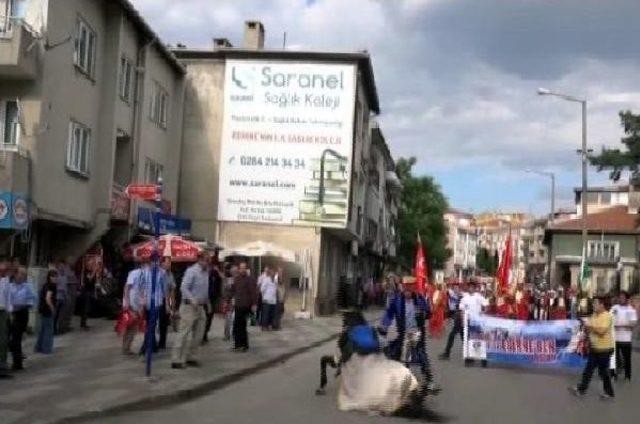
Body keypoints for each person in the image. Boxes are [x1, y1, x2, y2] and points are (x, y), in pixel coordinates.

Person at [380, 282, 440, 394]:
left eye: (410, 289)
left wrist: (423, 313)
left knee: (421, 354)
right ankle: (395, 380)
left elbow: (428, 313)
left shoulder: (419, 299)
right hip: (403, 332)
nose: (407, 292)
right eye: (405, 289)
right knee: (396, 353)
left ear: (413, 289)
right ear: (403, 289)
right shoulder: (397, 300)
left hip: (416, 332)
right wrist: (384, 326)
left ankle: (429, 381)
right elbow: (389, 314)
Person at [570, 296, 615, 400]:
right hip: (594, 348)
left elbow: (602, 331)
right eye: (593, 303)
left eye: (595, 304)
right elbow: (588, 327)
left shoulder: (607, 316)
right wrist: (585, 329)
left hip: (604, 349)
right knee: (588, 370)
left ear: (601, 305)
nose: (593, 305)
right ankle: (582, 390)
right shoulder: (594, 315)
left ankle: (609, 393)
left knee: (603, 373)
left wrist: (588, 325)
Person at [171, 252, 210, 369]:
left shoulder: (206, 273)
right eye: (206, 260)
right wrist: (192, 300)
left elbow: (204, 289)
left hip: (201, 306)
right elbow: (183, 287)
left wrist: (208, 302)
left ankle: (191, 357)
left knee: (199, 334)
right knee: (183, 333)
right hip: (189, 307)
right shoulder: (191, 271)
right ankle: (176, 359)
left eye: (209, 260)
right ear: (200, 260)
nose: (208, 262)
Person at [8, 267, 36, 370]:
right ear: (15, 275)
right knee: (9, 339)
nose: (23, 276)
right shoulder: (10, 286)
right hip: (10, 313)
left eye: (24, 274)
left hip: (21, 314)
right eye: (21, 274)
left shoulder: (28, 286)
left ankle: (17, 363)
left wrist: (23, 305)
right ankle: (17, 358)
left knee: (16, 339)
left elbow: (33, 299)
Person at [227, 262, 257, 352]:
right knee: (237, 326)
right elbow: (232, 290)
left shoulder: (250, 279)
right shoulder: (236, 279)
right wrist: (227, 300)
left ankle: (244, 345)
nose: (242, 270)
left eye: (244, 268)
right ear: (239, 269)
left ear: (246, 269)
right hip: (238, 305)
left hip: (246, 305)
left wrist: (254, 304)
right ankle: (238, 345)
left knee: (242, 326)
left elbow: (253, 292)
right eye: (241, 268)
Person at [611, 291, 637, 381]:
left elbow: (633, 324)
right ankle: (613, 375)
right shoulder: (615, 308)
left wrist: (620, 325)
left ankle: (627, 376)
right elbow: (610, 319)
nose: (621, 299)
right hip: (615, 338)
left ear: (627, 298)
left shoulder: (630, 309)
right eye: (619, 297)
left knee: (627, 359)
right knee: (613, 359)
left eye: (622, 297)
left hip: (626, 339)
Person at [122, 262, 145, 356]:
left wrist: (141, 306)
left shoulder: (146, 276)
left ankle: (126, 348)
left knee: (133, 328)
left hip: (137, 304)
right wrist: (127, 302)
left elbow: (142, 292)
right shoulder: (135, 273)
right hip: (131, 303)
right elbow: (127, 287)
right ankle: (125, 348)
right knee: (130, 327)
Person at [34, 270, 58, 354]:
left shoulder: (45, 285)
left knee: (43, 329)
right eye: (53, 276)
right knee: (49, 330)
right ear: (49, 277)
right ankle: (46, 348)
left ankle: (39, 347)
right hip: (48, 310)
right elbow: (48, 299)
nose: (55, 278)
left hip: (42, 309)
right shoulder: (52, 286)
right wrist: (52, 309)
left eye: (55, 276)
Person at [439, 284, 463, 360]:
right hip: (459, 319)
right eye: (454, 288)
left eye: (457, 288)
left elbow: (459, 309)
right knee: (462, 337)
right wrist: (449, 317)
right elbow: (450, 308)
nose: (456, 290)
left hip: (461, 319)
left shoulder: (462, 297)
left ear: (459, 289)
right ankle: (447, 353)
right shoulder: (453, 296)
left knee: (454, 336)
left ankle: (447, 353)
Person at [202, 261, 223, 344]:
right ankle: (203, 334)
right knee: (204, 318)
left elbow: (222, 278)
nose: (209, 268)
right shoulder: (202, 275)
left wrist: (217, 270)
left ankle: (205, 333)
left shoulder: (214, 274)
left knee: (209, 317)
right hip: (204, 299)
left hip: (213, 298)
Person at [0, 260, 12, 378]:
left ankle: (2, 367)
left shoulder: (6, 280)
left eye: (5, 270)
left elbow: (8, 296)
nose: (3, 272)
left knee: (3, 340)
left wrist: (9, 312)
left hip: (3, 311)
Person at [79, 259, 97, 330]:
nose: (93, 266)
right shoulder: (86, 272)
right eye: (91, 264)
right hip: (86, 292)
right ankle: (83, 323)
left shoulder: (91, 272)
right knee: (85, 308)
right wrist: (94, 271)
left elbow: (93, 282)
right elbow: (89, 279)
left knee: (87, 308)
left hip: (90, 291)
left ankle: (83, 322)